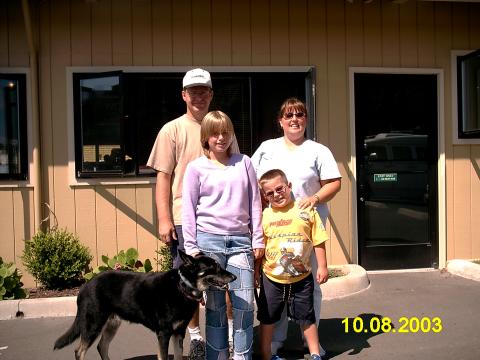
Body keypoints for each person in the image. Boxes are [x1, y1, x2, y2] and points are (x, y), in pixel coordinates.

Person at [147, 68, 239, 356]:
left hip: (222, 218)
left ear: (211, 94)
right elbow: (163, 177)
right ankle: (196, 337)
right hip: (184, 218)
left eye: (204, 91)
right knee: (189, 284)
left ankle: (230, 337)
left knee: (225, 279)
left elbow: (235, 171)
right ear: (184, 95)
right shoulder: (171, 130)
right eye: (193, 91)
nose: (199, 96)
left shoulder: (223, 128)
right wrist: (164, 219)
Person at [251, 97, 341, 357]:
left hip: (305, 228)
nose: (294, 120)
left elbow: (334, 182)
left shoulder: (318, 150)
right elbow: (251, 180)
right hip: (276, 227)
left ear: (306, 119)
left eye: (299, 115)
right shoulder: (267, 148)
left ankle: (309, 338)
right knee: (275, 283)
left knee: (309, 283)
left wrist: (315, 198)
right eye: (289, 115)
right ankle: (276, 340)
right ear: (280, 121)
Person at [182, 110, 265, 360]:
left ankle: (242, 357)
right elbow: (188, 208)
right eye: (215, 133)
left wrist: (257, 238)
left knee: (243, 306)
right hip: (208, 244)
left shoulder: (245, 162)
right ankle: (216, 357)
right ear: (206, 137)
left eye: (225, 132)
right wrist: (192, 248)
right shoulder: (196, 168)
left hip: (240, 243)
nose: (221, 138)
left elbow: (255, 203)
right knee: (215, 308)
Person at [256, 169, 329, 360]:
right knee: (268, 317)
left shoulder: (306, 210)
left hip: (302, 276)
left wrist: (322, 266)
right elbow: (259, 248)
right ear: (265, 197)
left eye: (280, 189)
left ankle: (314, 353)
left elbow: (318, 240)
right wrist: (256, 273)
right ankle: (266, 354)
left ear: (289, 186)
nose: (276, 195)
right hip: (271, 277)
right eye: (270, 193)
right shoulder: (265, 216)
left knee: (307, 316)